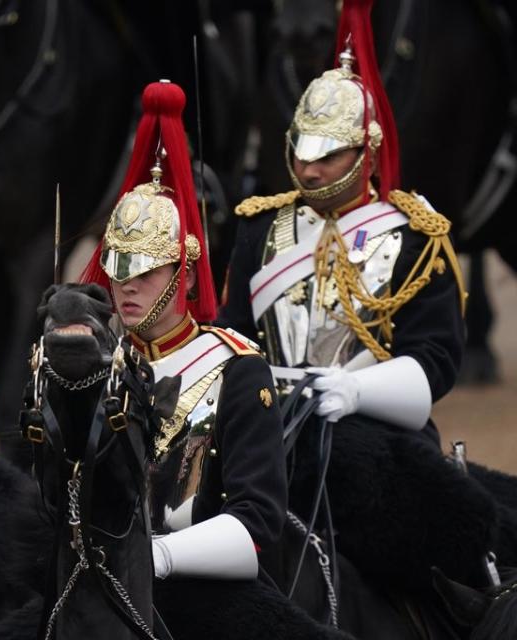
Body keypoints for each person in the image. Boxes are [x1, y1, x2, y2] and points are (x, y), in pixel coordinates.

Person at [216, 0, 498, 592]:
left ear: (365, 150)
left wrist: (356, 388)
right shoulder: (258, 229)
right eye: (301, 153)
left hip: (378, 440)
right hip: (270, 439)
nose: (310, 170)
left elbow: (436, 363)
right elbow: (232, 340)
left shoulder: (417, 237)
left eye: (328, 156)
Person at [80, 80, 287, 585]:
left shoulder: (238, 369)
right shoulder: (92, 357)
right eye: (119, 269)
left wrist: (163, 557)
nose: (126, 287)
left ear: (186, 273)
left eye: (147, 272)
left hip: (197, 581)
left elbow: (257, 523)